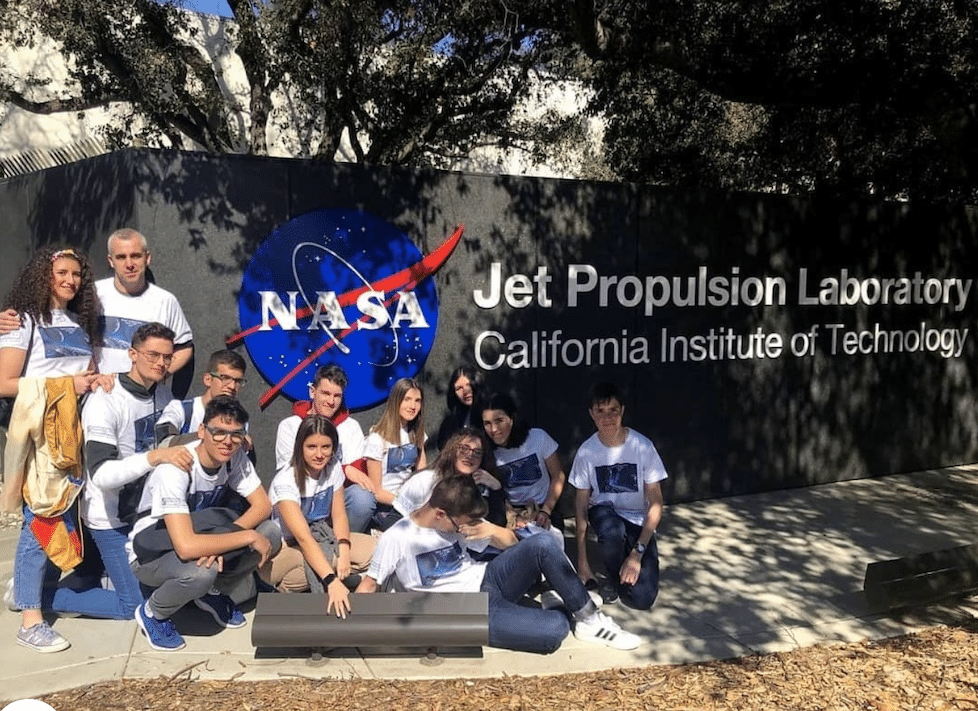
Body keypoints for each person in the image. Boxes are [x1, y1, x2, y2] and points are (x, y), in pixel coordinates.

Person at [356, 475, 641, 653]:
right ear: (440, 513)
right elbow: (369, 586)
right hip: (466, 608)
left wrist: (490, 531)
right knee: (553, 631)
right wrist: (343, 619)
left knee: (542, 543)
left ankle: (589, 618)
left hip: (488, 577)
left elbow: (515, 546)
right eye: (461, 523)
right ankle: (561, 604)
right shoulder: (397, 538)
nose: (464, 528)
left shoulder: (458, 520)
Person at [0, 246, 108, 653]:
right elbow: (4, 381)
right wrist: (68, 387)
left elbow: (77, 374)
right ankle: (31, 619)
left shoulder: (79, 322)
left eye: (76, 274)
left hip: (74, 436)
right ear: (42, 275)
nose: (70, 280)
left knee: (58, 518)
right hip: (41, 436)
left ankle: (25, 590)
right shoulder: (20, 321)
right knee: (40, 521)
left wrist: (93, 382)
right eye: (61, 272)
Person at [128, 396, 281, 651]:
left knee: (271, 532)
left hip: (202, 535)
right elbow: (186, 547)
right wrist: (243, 537)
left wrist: (221, 542)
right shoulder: (177, 468)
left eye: (235, 434)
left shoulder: (234, 456)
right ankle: (153, 613)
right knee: (202, 571)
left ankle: (213, 592)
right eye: (218, 432)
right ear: (202, 431)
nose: (227, 441)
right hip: (151, 552)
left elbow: (263, 506)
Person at [70, 322, 195, 621]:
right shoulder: (105, 399)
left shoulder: (162, 396)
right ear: (132, 354)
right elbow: (100, 474)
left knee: (172, 589)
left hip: (144, 515)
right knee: (133, 608)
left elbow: (172, 442)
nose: (161, 363)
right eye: (152, 355)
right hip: (109, 517)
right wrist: (153, 457)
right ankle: (43, 595)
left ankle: (105, 579)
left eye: (167, 357)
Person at [569, 382, 666, 610]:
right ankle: (613, 576)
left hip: (636, 520)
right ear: (591, 414)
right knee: (612, 530)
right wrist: (583, 564)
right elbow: (581, 507)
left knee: (642, 599)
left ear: (622, 411)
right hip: (606, 514)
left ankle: (626, 563)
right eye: (600, 411)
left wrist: (637, 553)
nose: (607, 417)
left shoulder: (642, 446)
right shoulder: (586, 452)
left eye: (613, 410)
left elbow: (657, 502)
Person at [259, 415, 375, 603]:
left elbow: (338, 515)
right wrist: (331, 581)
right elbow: (303, 538)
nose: (319, 454)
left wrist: (344, 547)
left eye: (326, 447)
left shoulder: (333, 467)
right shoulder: (285, 481)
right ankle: (297, 584)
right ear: (300, 447)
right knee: (309, 571)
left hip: (323, 536)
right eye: (311, 447)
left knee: (377, 549)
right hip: (288, 547)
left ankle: (333, 572)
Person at [275, 364, 369, 530]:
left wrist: (346, 470)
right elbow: (292, 468)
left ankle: (345, 542)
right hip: (300, 497)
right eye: (325, 393)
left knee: (362, 497)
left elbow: (359, 473)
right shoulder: (290, 425)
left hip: (335, 498)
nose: (331, 401)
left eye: (337, 396)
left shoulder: (351, 426)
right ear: (313, 392)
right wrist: (345, 469)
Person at [481, 392, 566, 532]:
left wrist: (546, 511)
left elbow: (558, 475)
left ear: (512, 419)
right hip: (509, 513)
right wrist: (512, 516)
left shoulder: (538, 437)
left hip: (544, 508)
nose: (494, 429)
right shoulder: (486, 451)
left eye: (499, 421)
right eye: (487, 424)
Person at [394, 428, 505, 527]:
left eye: (477, 452)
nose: (470, 455)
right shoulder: (425, 480)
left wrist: (496, 488)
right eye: (464, 448)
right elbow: (396, 518)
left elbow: (497, 526)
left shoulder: (480, 488)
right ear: (453, 450)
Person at [362, 378, 427, 531]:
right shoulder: (377, 439)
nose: (413, 406)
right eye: (407, 400)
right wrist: (406, 503)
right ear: (396, 401)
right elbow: (376, 492)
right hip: (386, 508)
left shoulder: (417, 434)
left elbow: (422, 473)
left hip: (411, 503)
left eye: (417, 401)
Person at [157, 349, 249, 439]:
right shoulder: (181, 410)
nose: (232, 386)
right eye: (225, 378)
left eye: (238, 381)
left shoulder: (240, 421)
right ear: (208, 379)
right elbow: (163, 439)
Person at [435, 366, 482, 449]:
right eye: (459, 388)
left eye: (469, 385)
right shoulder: (449, 423)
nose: (465, 391)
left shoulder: (488, 415)